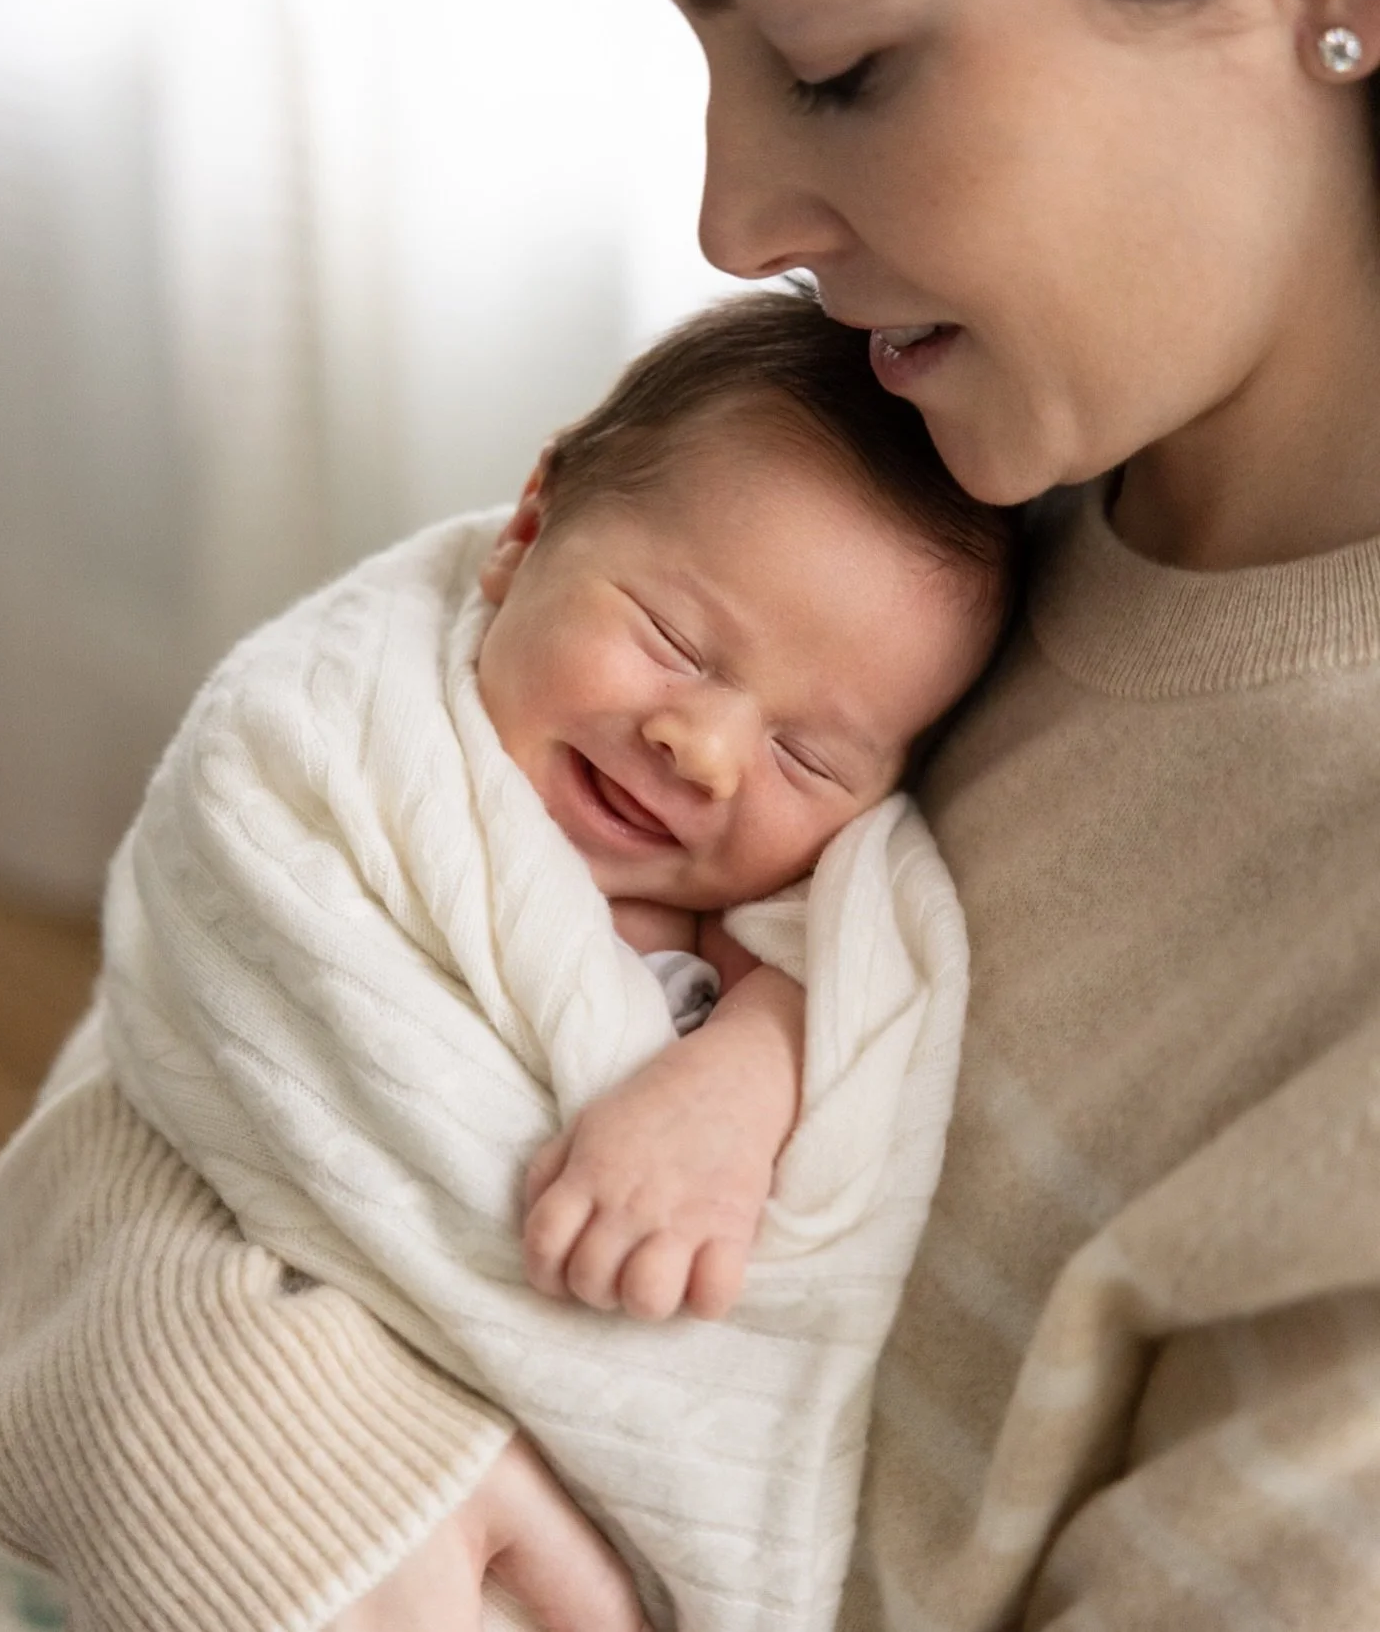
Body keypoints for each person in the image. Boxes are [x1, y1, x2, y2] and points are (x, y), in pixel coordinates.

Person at [0, 0, 1380, 1627]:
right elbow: (200, 1019)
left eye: (830, 59)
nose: (726, 219)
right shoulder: (906, 454)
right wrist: (268, 1453)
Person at [90, 287, 1010, 1632]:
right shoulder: (349, 758)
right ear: (527, 529)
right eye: (675, 643)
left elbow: (857, 994)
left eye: (807, 756)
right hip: (315, 1386)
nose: (700, 747)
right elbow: (231, 976)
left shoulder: (776, 920)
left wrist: (737, 1084)